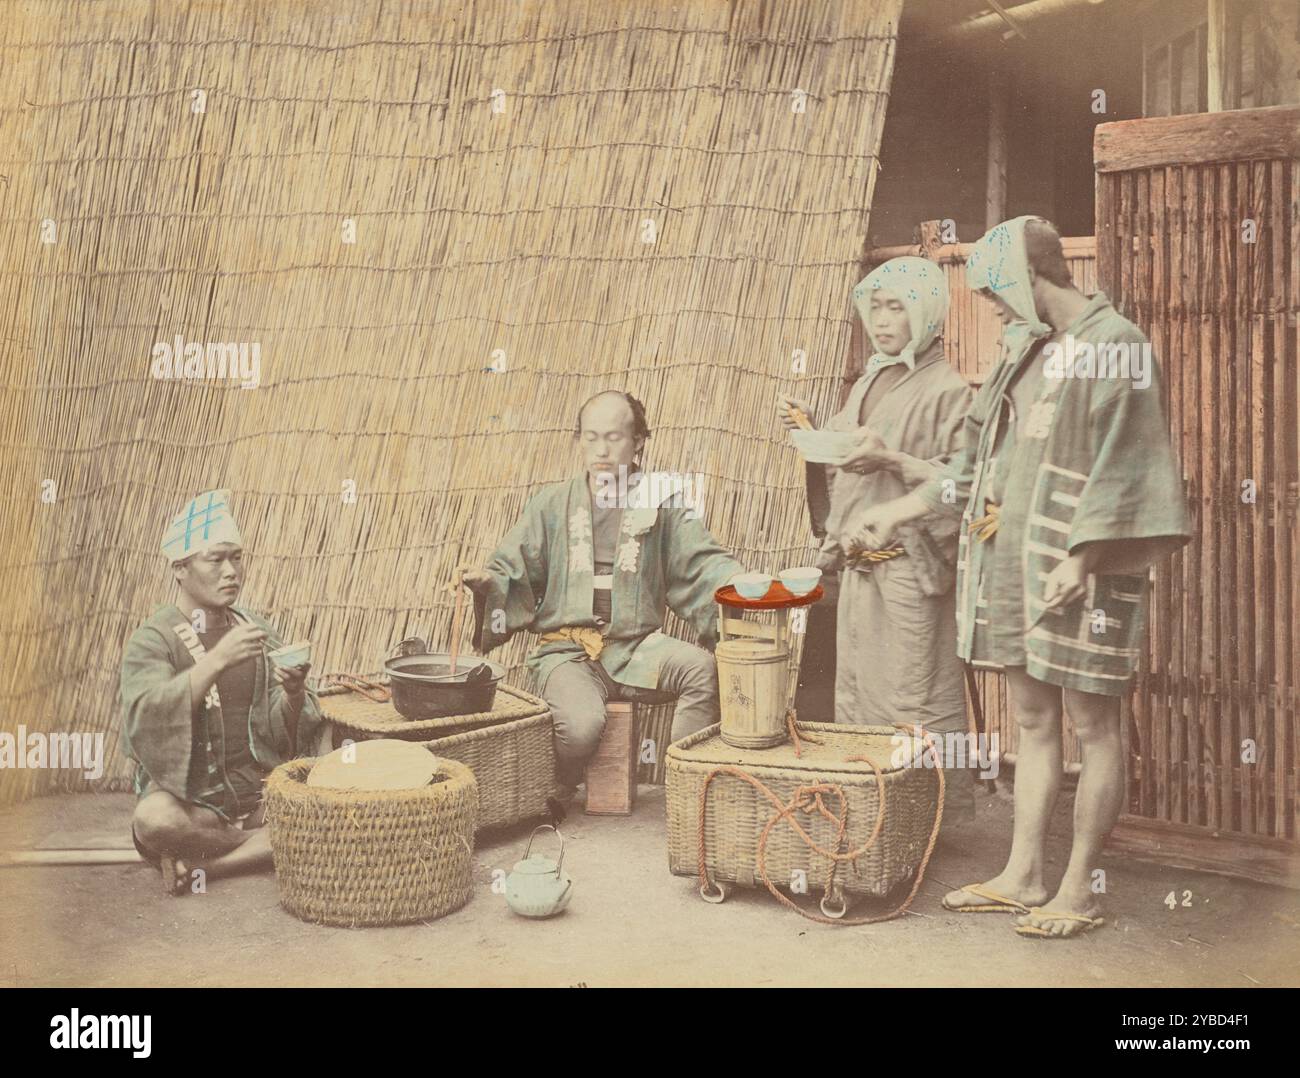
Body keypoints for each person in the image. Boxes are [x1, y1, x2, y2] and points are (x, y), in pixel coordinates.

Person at [851, 217, 1191, 938]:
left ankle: (1080, 889)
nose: (997, 314)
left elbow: (1133, 463)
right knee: (1033, 719)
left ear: (1030, 283)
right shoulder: (1026, 350)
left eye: (1000, 299)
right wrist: (904, 508)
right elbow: (973, 464)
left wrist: (1083, 558)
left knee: (1093, 723)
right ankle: (1025, 874)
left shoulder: (1115, 346)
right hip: (1020, 561)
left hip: (1088, 563)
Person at [464, 391, 745, 815]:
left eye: (614, 437)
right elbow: (511, 567)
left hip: (635, 647)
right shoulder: (551, 505)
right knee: (579, 729)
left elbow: (701, 560)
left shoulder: (661, 500)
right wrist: (489, 583)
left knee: (701, 670)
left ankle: (686, 793)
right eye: (591, 437)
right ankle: (558, 779)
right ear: (578, 440)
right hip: (568, 651)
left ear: (639, 442)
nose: (601, 449)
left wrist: (738, 581)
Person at [778, 256, 974, 815]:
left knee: (912, 697)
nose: (882, 321)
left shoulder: (950, 390)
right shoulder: (869, 379)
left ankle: (922, 819)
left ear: (928, 313)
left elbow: (967, 485)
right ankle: (871, 816)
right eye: (875, 307)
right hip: (863, 572)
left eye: (898, 307)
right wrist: (811, 430)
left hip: (910, 569)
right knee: (860, 696)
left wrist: (892, 459)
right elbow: (842, 463)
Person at [121, 490, 323, 895]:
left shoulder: (254, 629)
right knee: (154, 820)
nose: (231, 571)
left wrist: (294, 694)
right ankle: (274, 845)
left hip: (258, 796)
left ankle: (212, 865)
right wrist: (215, 661)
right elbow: (145, 716)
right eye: (215, 559)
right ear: (180, 568)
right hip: (195, 804)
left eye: (237, 557)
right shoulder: (154, 638)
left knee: (325, 797)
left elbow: (283, 730)